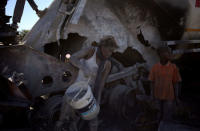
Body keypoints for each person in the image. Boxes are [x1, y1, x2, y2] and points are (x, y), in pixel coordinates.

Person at [57, 36, 118, 131]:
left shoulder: (107, 64)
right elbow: (73, 58)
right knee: (65, 110)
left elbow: (101, 84)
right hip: (76, 87)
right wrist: (83, 68)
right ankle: (60, 125)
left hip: (89, 92)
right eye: (109, 50)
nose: (110, 53)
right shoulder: (91, 51)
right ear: (103, 46)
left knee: (93, 117)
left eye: (112, 52)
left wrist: (97, 101)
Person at [148, 46, 181, 122]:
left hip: (169, 97)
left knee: (167, 118)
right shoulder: (155, 67)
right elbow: (151, 82)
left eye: (170, 53)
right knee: (157, 117)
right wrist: (152, 96)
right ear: (161, 54)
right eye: (168, 53)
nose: (170, 54)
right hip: (157, 97)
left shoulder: (173, 67)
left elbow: (176, 83)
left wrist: (177, 97)